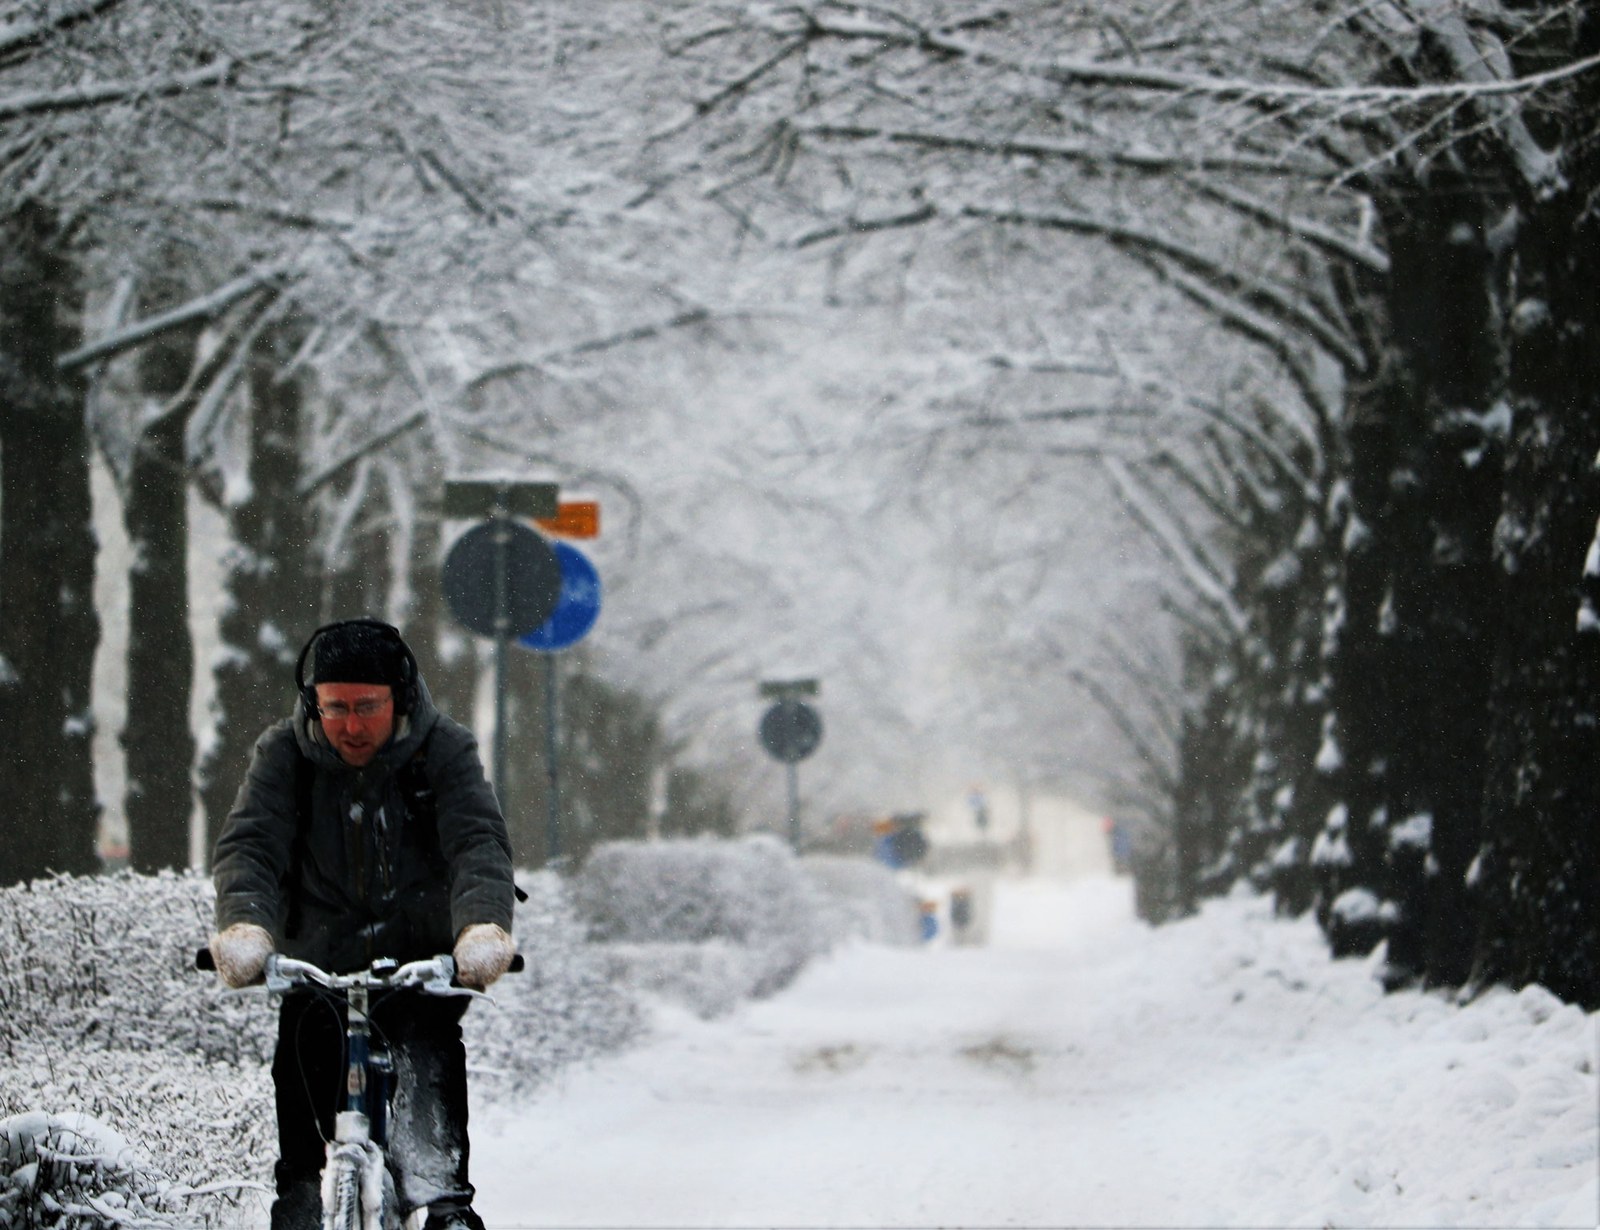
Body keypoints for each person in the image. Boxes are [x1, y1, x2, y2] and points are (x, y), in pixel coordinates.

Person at [207, 618, 517, 1230]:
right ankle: (299, 1200)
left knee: (426, 1054)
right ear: (312, 703)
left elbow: (477, 844)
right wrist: (245, 926)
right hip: (318, 963)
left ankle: (442, 1201)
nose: (350, 725)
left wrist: (481, 929)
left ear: (397, 699)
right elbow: (250, 847)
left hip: (417, 964)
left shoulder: (442, 750)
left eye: (367, 707)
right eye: (334, 708)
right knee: (300, 1086)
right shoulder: (285, 756)